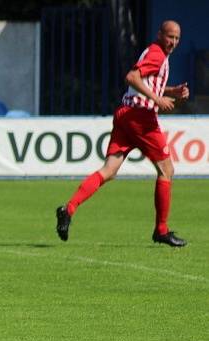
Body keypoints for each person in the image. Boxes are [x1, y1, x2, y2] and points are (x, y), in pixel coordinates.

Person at [56, 20, 190, 247]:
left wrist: (170, 90)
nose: (173, 42)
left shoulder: (153, 52)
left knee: (108, 171)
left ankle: (68, 209)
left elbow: (146, 80)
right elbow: (132, 77)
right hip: (141, 117)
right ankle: (161, 230)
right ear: (160, 34)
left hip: (125, 114)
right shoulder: (157, 54)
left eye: (177, 38)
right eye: (170, 37)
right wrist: (157, 99)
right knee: (167, 170)